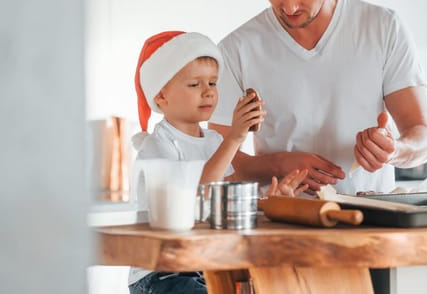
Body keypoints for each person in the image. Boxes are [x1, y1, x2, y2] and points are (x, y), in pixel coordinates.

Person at [209, 0, 427, 196]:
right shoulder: (236, 49)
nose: (290, 6)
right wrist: (281, 163)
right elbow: (216, 161)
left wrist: (394, 150)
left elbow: (423, 138)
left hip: (373, 220)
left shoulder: (383, 27)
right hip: (281, 221)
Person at [129, 31, 308, 294]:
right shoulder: (158, 144)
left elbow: (223, 200)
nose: (208, 92)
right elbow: (198, 193)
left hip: (202, 266)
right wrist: (234, 138)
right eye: (194, 85)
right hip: (161, 274)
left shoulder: (212, 140)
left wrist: (271, 202)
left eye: (212, 83)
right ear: (161, 96)